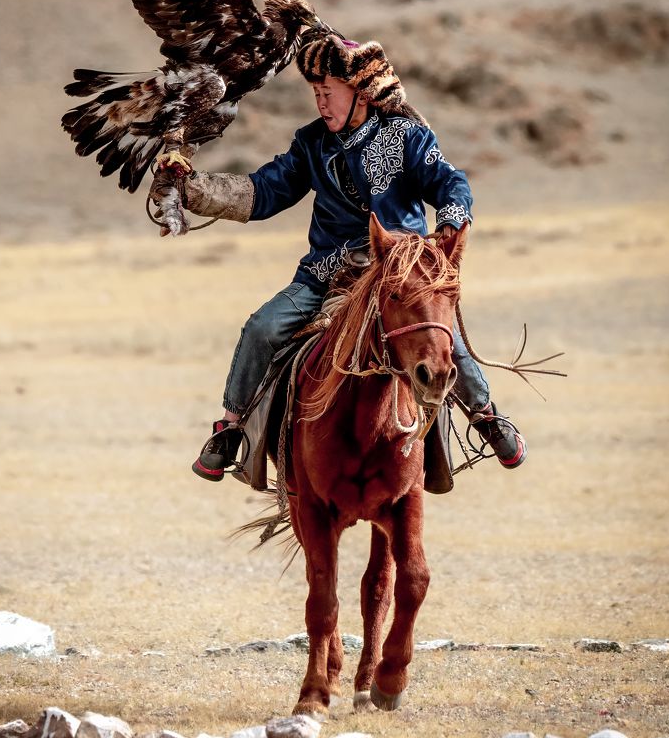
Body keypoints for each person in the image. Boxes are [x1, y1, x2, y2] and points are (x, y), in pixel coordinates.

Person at [182, 33, 527, 481]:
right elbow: (264, 192)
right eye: (316, 93)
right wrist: (194, 190)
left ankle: (484, 416)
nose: (321, 103)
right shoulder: (310, 143)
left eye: (329, 92)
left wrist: (450, 219)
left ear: (360, 92)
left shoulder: (407, 137)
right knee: (261, 328)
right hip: (325, 274)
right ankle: (230, 429)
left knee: (442, 343)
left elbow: (448, 181)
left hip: (397, 273)